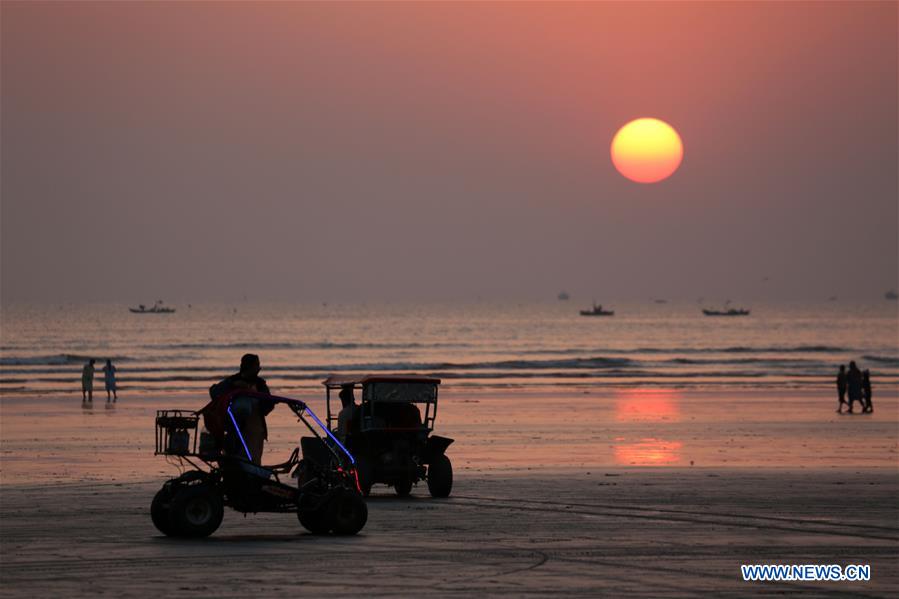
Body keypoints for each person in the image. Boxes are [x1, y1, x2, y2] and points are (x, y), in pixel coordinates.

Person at [207, 354, 273, 464]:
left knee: (254, 462)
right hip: (236, 431)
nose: (259, 369)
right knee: (235, 460)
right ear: (249, 367)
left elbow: (269, 405)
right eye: (257, 366)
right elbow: (214, 391)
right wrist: (233, 386)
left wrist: (258, 396)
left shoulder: (260, 384)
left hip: (256, 430)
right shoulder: (233, 380)